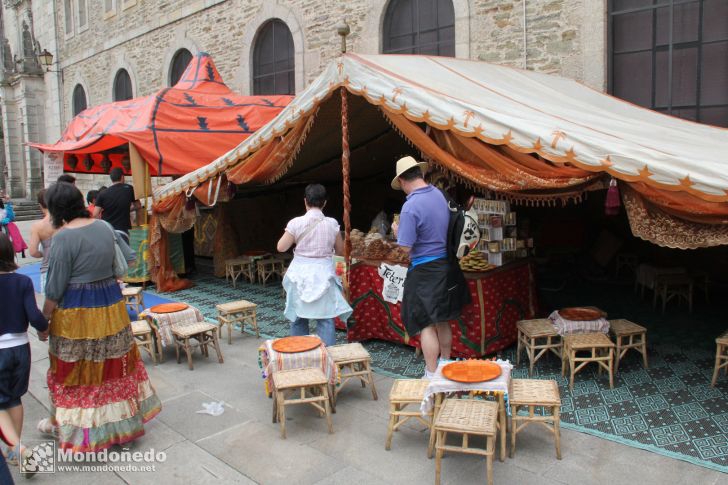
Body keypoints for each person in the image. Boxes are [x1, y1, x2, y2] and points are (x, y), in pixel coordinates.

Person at [39, 182, 161, 451]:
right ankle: (122, 426)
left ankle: (80, 429)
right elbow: (123, 263)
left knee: (78, 368)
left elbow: (55, 287)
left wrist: (44, 318)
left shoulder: (62, 238)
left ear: (56, 209)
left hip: (77, 311)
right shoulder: (104, 227)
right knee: (112, 365)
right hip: (109, 303)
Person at [390, 156, 470, 378]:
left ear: (404, 182)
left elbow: (405, 248)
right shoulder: (438, 194)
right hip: (446, 266)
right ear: (420, 174)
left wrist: (398, 233)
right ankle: (446, 364)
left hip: (424, 271)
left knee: (426, 324)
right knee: (442, 319)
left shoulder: (410, 207)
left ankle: (432, 372)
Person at [277, 184, 352, 346]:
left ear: (305, 201)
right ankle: (327, 359)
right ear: (324, 202)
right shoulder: (332, 224)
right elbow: (340, 251)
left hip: (299, 275)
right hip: (324, 274)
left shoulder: (296, 223)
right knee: (325, 320)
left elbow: (281, 247)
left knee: (298, 319)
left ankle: (300, 354)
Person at [0, 233, 48, 474]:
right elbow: (34, 316)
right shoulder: (22, 282)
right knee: (14, 398)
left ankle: (18, 449)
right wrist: (45, 329)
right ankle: (15, 450)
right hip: (20, 348)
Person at [93, 167, 141, 242]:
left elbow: (95, 214)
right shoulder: (129, 189)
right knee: (123, 252)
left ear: (111, 179)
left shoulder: (103, 193)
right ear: (122, 177)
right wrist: (126, 209)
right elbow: (138, 205)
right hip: (123, 230)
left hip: (107, 230)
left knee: (110, 252)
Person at [28, 189, 57, 294]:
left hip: (48, 269)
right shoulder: (66, 221)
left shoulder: (38, 226)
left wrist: (44, 253)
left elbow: (33, 252)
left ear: (40, 205)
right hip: (70, 269)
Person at [0, 191, 27, 258]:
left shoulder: (4, 210)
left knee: (10, 247)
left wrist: (8, 201)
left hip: (7, 232)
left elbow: (11, 216)